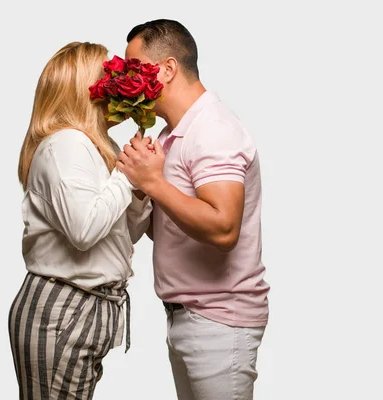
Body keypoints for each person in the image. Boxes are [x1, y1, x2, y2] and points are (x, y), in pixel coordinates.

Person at [117, 19, 270, 400]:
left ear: (167, 69)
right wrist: (140, 186)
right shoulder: (172, 133)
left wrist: (153, 183)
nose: (125, 81)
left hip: (219, 320)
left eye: (133, 68)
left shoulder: (213, 128)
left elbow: (223, 229)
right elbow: (171, 226)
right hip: (188, 317)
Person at [8, 41, 152, 400]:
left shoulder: (98, 146)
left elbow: (123, 235)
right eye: (108, 78)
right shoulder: (66, 144)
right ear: (83, 88)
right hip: (62, 310)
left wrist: (139, 187)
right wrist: (127, 177)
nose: (116, 85)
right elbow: (84, 231)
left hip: (83, 308)